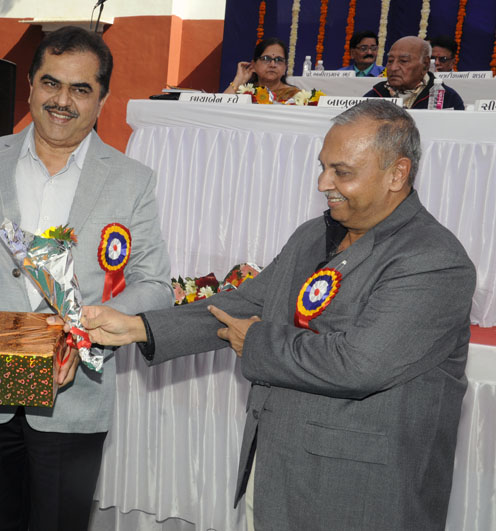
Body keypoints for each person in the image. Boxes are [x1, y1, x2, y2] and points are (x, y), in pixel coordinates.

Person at [80, 100, 476, 530]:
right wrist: (138, 327)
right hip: (278, 476)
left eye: (342, 172)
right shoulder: (314, 234)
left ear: (397, 174)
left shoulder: (433, 259)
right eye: (323, 167)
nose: (323, 183)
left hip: (361, 497)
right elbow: (248, 304)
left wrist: (256, 342)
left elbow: (359, 364)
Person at [0, 26, 173, 531]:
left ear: (102, 98)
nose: (62, 100)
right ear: (31, 85)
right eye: (51, 83)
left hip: (73, 400)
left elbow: (155, 284)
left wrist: (88, 328)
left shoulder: (132, 180)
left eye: (80, 89)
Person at [364, 36, 464, 109]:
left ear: (425, 65)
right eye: (390, 61)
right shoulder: (375, 95)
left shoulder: (447, 98)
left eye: (403, 61)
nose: (393, 68)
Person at [224, 37, 300, 102]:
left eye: (279, 60)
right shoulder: (245, 92)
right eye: (266, 59)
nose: (272, 65)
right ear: (253, 65)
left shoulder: (295, 95)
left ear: (285, 67)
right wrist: (238, 81)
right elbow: (222, 108)